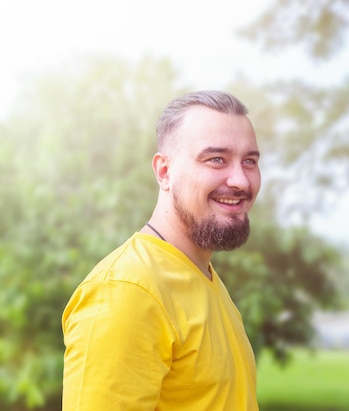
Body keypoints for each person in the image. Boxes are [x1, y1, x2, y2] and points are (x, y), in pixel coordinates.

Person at [62, 90, 262, 410]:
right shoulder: (127, 291)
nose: (240, 179)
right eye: (216, 159)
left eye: (249, 161)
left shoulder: (204, 278)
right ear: (164, 172)